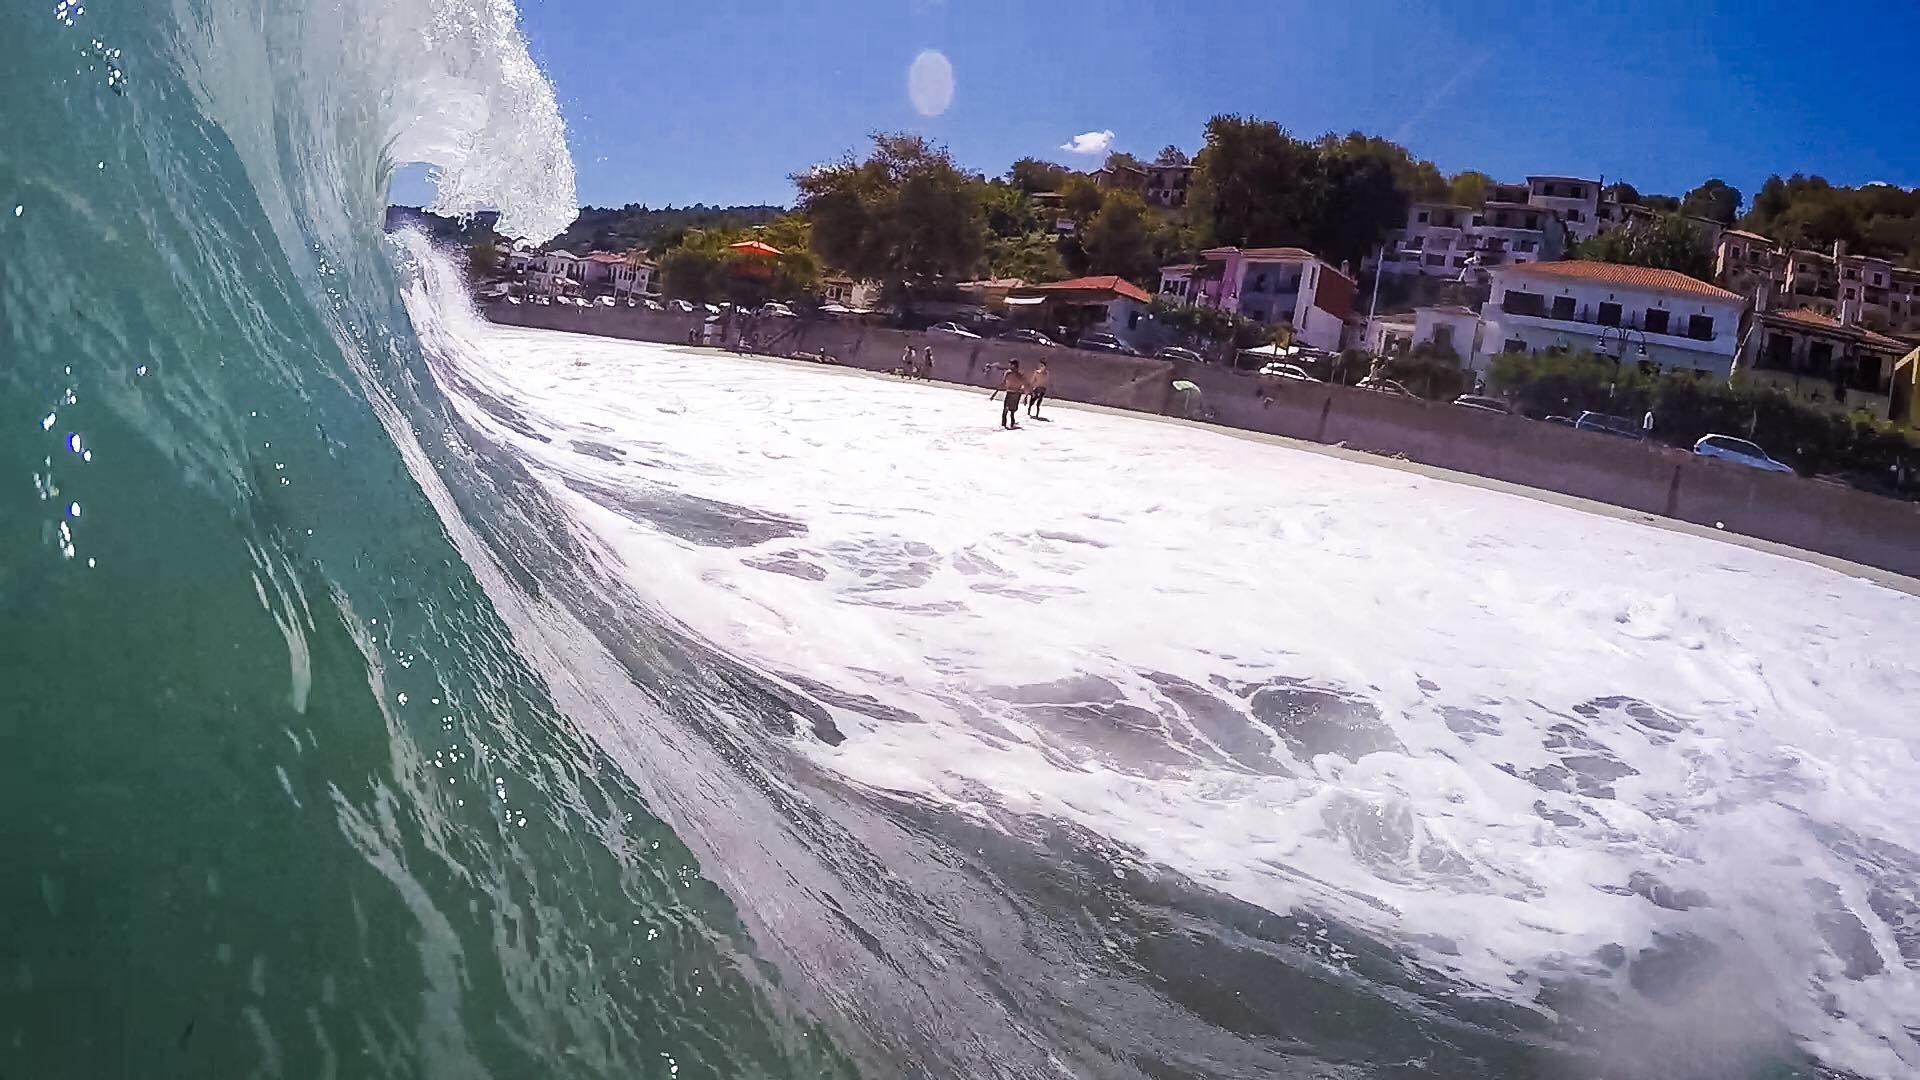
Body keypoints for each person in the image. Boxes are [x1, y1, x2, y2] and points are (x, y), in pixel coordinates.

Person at [999, 360, 1025, 429]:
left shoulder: (1019, 374)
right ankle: (1004, 424)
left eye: (1011, 365)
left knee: (1012, 411)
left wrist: (1022, 390)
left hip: (1016, 393)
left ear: (1015, 365)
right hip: (1010, 392)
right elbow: (1003, 382)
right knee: (1006, 409)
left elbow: (1023, 384)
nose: (1010, 366)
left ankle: (1011, 423)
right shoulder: (1008, 373)